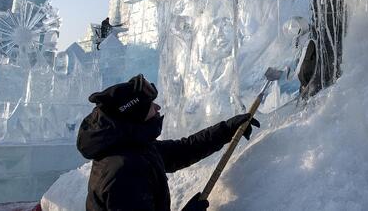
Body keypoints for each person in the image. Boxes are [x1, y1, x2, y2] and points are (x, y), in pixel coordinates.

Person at [77, 74, 260, 211]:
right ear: (136, 115)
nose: (158, 108)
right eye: (150, 105)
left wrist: (227, 129)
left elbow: (183, 150)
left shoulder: (133, 149)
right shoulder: (123, 171)